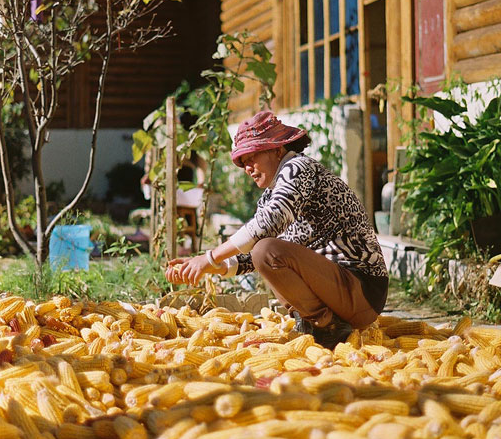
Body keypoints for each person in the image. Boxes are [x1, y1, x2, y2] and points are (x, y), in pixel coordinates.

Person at [166, 110, 389, 349]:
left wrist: (210, 256)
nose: (248, 168)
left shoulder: (298, 168)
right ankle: (321, 324)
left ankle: (327, 325)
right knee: (262, 250)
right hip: (341, 291)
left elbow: (269, 225)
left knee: (265, 250)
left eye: (252, 157)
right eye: (243, 163)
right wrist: (213, 266)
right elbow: (253, 253)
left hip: (362, 289)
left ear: (276, 149)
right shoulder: (272, 193)